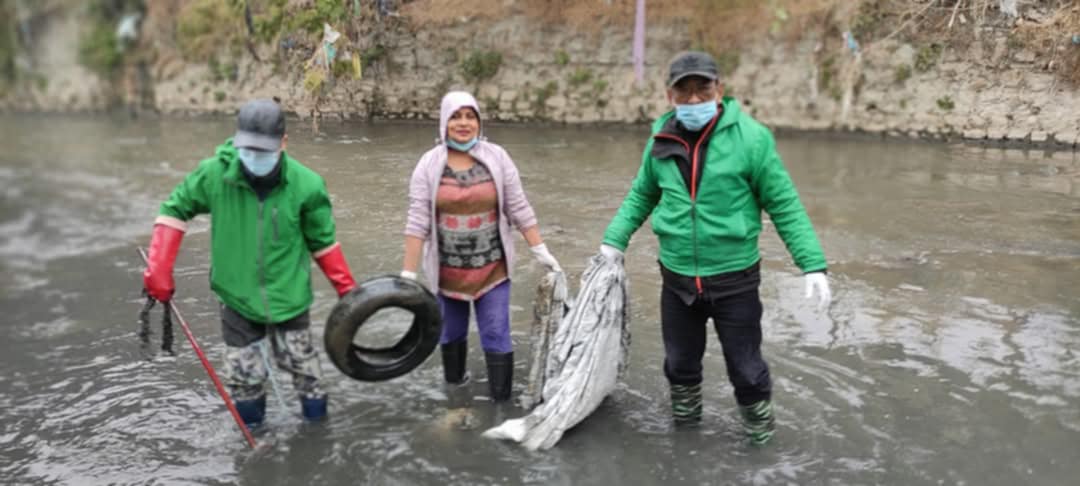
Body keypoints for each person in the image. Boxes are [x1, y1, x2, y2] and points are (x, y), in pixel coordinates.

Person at [599, 52, 832, 445]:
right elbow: (642, 194)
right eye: (684, 91)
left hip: (735, 280)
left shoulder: (752, 139)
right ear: (670, 95)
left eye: (702, 89)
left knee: (747, 370)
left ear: (719, 90)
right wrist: (613, 240)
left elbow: (784, 204)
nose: (693, 99)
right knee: (679, 365)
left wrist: (812, 264)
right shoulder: (659, 140)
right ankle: (685, 440)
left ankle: (761, 441)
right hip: (676, 279)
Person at [141, 99, 357, 427]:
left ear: (283, 143)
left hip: (290, 298)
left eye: (263, 150)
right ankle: (253, 437)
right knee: (245, 382)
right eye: (249, 149)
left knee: (308, 376)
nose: (254, 157)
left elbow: (323, 242)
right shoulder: (215, 175)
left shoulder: (307, 185)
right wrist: (159, 268)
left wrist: (348, 291)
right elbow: (175, 209)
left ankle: (317, 437)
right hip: (237, 299)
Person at [401, 91, 561, 402]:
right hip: (447, 275)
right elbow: (417, 220)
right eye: (455, 117)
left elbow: (518, 207)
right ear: (444, 122)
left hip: (493, 271)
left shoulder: (497, 157)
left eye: (469, 116)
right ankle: (455, 400)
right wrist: (408, 274)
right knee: (450, 334)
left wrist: (540, 250)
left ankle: (500, 404)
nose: (463, 123)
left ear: (478, 121)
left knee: (496, 333)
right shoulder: (429, 164)